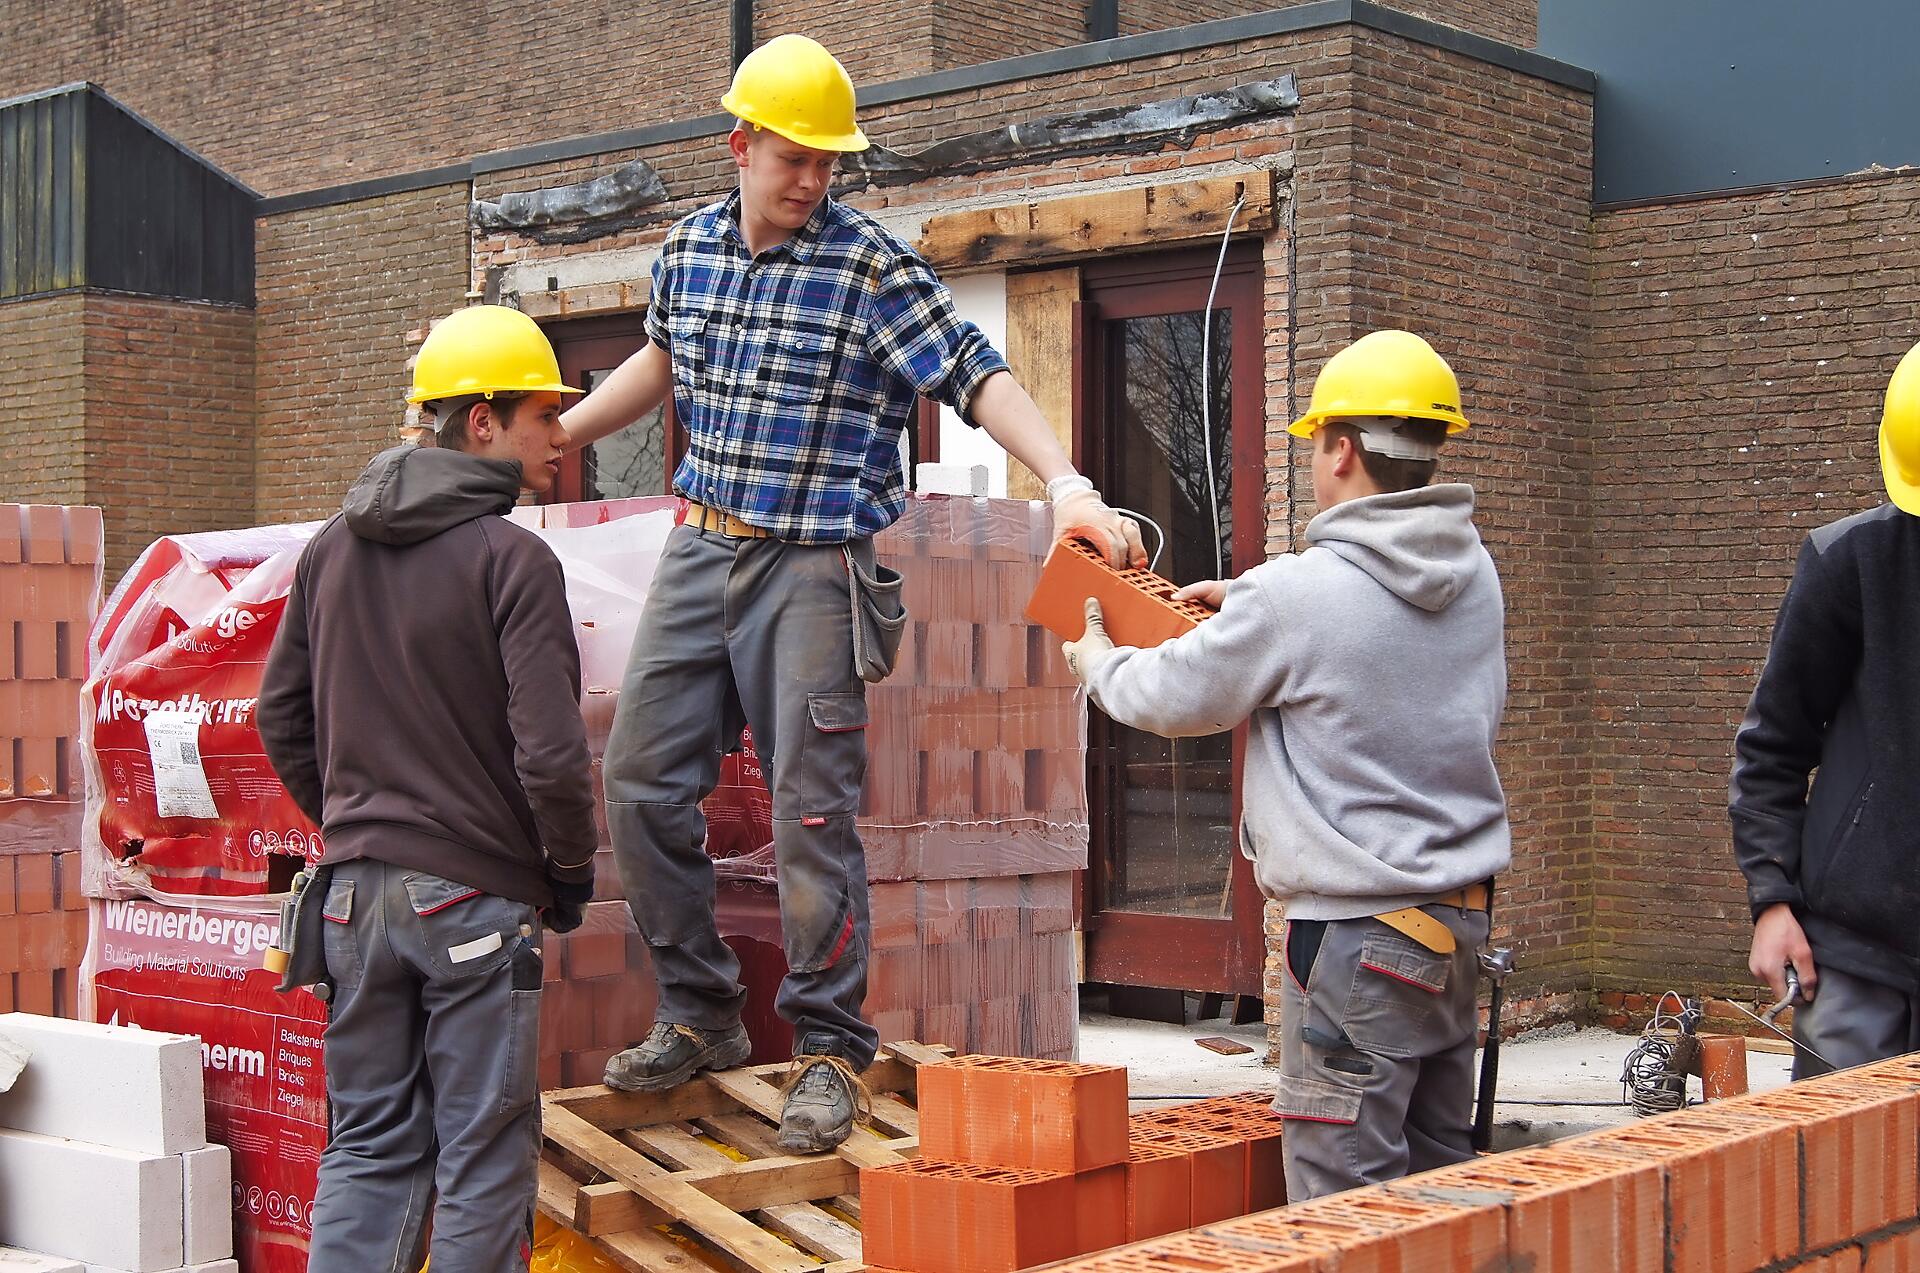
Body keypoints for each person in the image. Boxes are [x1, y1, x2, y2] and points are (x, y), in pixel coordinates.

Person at [559, 33, 1141, 1152]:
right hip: (701, 547)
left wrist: (1066, 478)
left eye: (830, 160)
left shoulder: (871, 265)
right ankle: (700, 1011)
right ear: (740, 146)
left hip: (816, 564)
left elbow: (978, 373)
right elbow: (663, 363)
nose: (815, 178)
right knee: (636, 784)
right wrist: (563, 435)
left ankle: (828, 1045)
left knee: (811, 813)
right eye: (796, 157)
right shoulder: (685, 253)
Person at [1060, 330, 1511, 1200]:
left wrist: (1095, 661)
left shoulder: (1298, 596)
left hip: (1361, 944)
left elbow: (1175, 696)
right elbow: (1366, 641)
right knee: (1438, 1195)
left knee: (1345, 1202)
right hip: (1459, 930)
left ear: (1341, 448)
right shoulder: (1473, 572)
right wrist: (1249, 608)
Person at [259, 304, 599, 1269]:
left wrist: (360, 822)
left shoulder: (329, 551)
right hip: (471, 905)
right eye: (542, 414)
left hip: (352, 904)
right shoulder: (512, 558)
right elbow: (550, 754)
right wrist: (565, 873)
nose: (561, 435)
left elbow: (280, 717)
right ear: (481, 423)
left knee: (368, 1148)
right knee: (485, 1157)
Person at [1732, 339, 1920, 1077]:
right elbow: (1772, 746)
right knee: (1842, 1186)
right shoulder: (1849, 564)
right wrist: (1771, 900)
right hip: (1853, 955)